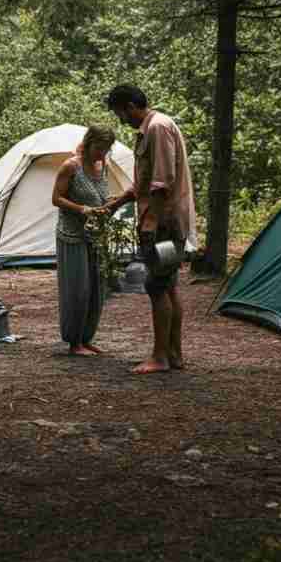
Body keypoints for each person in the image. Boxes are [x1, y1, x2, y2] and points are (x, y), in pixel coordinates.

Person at [103, 85, 196, 374]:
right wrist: (117, 202)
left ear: (130, 106)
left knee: (157, 286)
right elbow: (144, 183)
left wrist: (151, 224)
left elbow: (161, 183)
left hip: (164, 222)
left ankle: (160, 357)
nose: (121, 119)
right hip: (164, 220)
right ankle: (174, 354)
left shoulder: (157, 128)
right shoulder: (155, 127)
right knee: (168, 286)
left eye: (120, 112)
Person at [51, 126, 116, 356]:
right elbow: (56, 198)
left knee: (96, 290)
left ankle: (87, 338)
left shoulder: (102, 166)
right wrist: (82, 209)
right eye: (99, 148)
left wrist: (112, 203)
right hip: (72, 235)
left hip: (96, 236)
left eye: (107, 149)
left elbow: (102, 196)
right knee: (78, 289)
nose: (102, 153)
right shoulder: (71, 166)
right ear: (89, 143)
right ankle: (74, 341)